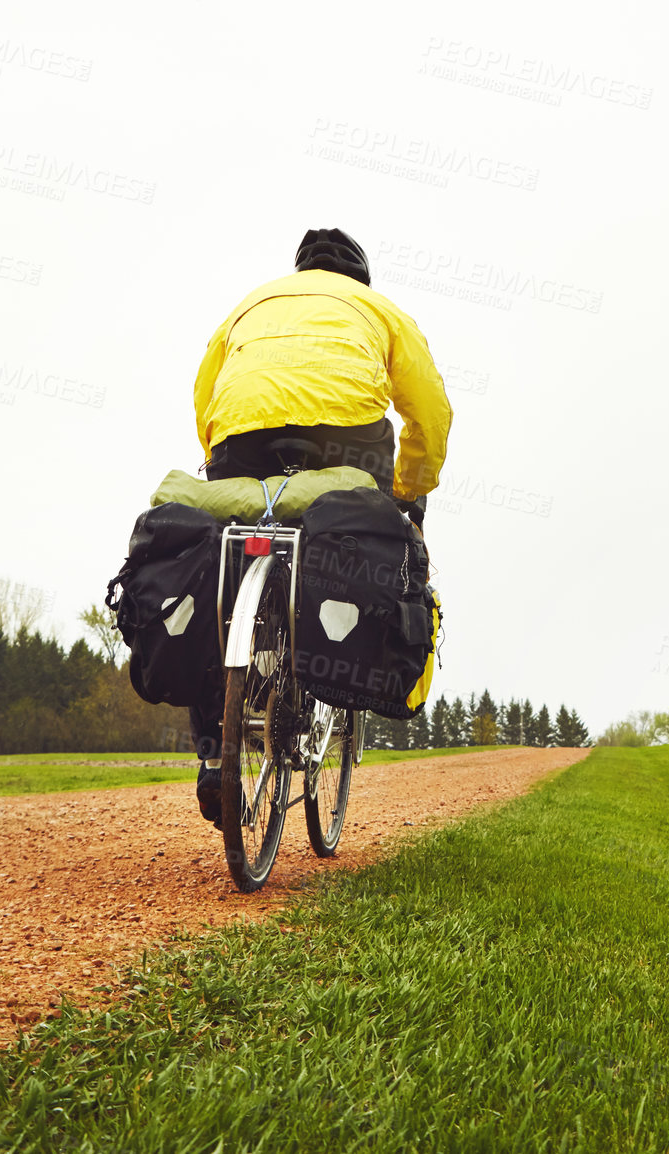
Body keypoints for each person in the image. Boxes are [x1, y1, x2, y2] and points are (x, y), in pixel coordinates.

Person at [190, 228, 452, 825]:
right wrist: (411, 491)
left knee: (228, 578)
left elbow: (206, 393)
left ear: (299, 270)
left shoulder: (252, 303)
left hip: (241, 438)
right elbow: (429, 409)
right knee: (351, 542)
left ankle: (212, 754)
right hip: (346, 445)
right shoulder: (378, 310)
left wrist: (224, 464)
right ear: (358, 279)